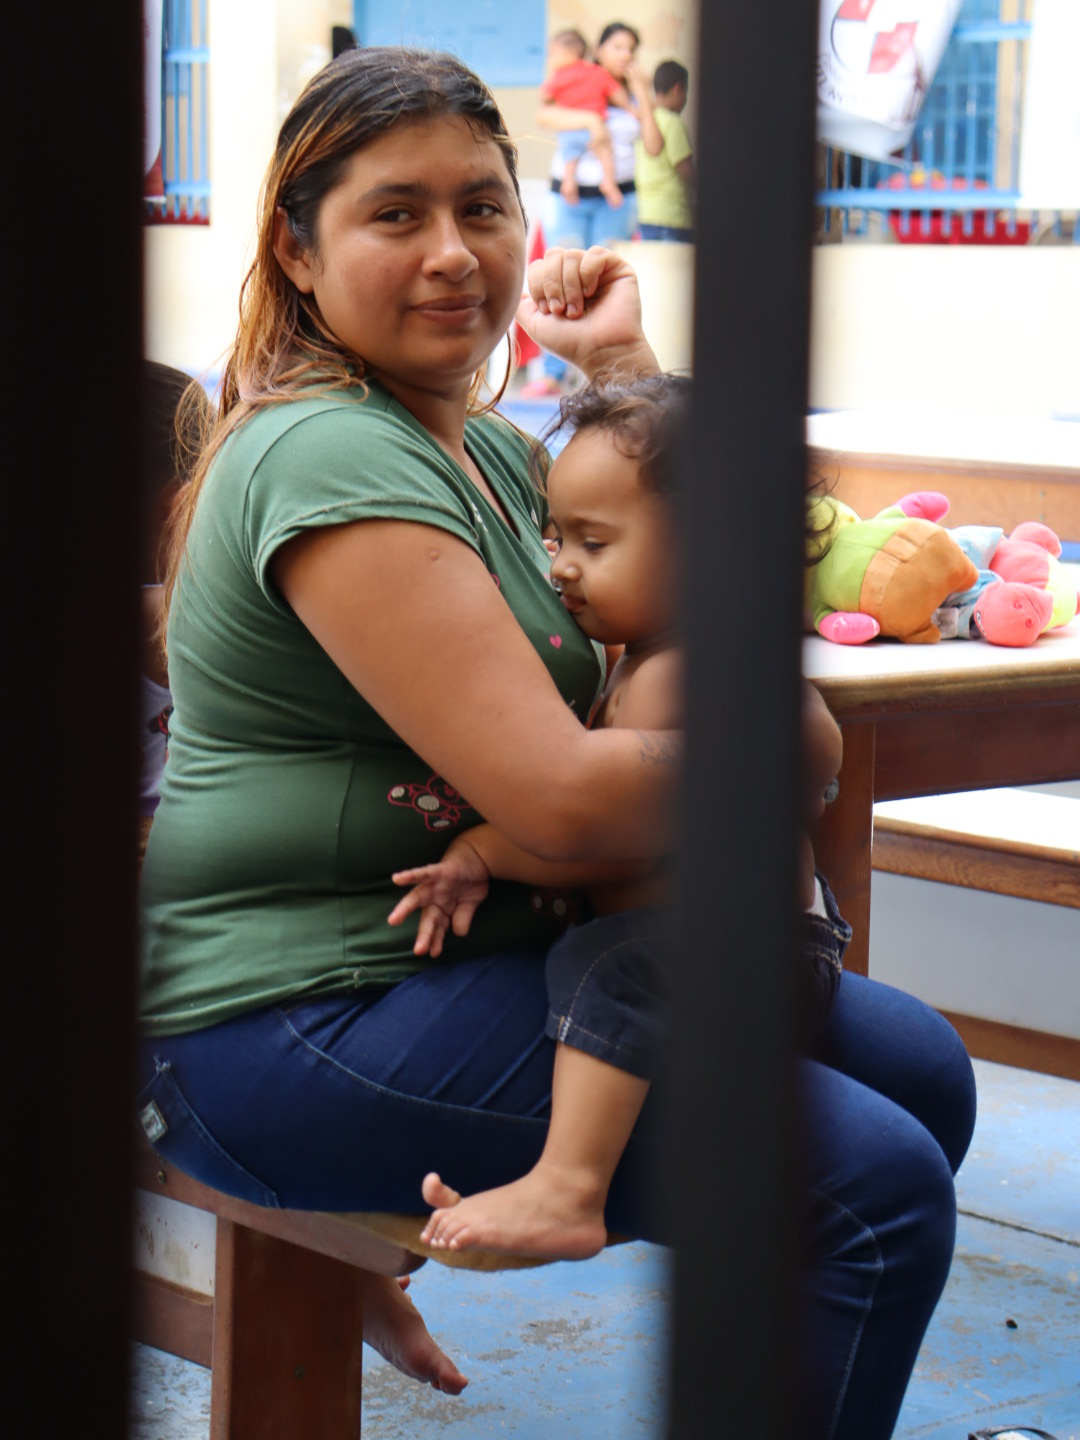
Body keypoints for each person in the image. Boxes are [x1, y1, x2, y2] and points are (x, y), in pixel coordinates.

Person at [136, 45, 975, 1436]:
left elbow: (670, 569)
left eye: (484, 206)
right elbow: (569, 801)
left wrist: (622, 369)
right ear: (296, 249)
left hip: (473, 955)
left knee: (920, 1073)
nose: (453, 251)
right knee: (869, 1187)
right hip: (291, 1010)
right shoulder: (326, 453)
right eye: (395, 214)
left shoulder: (491, 450)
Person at [387, 374, 852, 1263]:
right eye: (556, 538)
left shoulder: (681, 674)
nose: (561, 565)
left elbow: (609, 843)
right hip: (777, 942)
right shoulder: (669, 657)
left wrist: (482, 853)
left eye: (593, 543)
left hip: (734, 956)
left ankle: (569, 1187)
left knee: (604, 968)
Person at [523, 21, 662, 398]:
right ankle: (552, 373)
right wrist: (589, 120)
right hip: (569, 197)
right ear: (598, 50)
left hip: (616, 200)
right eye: (618, 46)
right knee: (560, 275)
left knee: (603, 282)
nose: (626, 55)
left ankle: (603, 376)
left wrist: (642, 93)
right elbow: (544, 116)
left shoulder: (629, 97)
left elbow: (654, 145)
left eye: (631, 48)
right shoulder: (579, 80)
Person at [540, 29, 634, 209]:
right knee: (605, 152)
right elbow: (618, 94)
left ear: (569, 54)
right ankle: (609, 182)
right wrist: (632, 108)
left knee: (570, 158)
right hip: (596, 131)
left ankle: (568, 182)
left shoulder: (561, 75)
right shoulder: (598, 72)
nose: (550, 60)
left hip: (570, 130)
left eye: (552, 54)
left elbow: (544, 96)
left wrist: (552, 74)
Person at [635, 60, 695, 243]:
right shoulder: (673, 122)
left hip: (646, 214)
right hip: (673, 217)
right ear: (678, 89)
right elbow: (685, 171)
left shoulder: (645, 120)